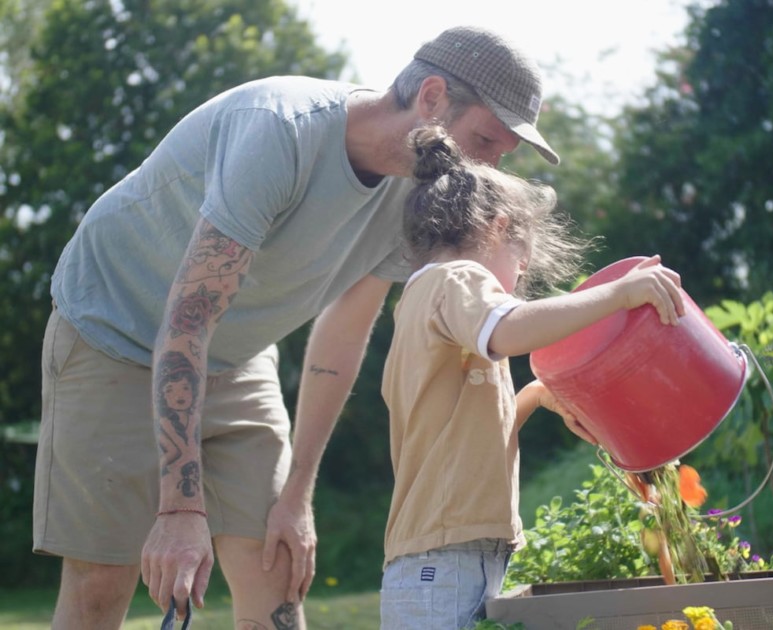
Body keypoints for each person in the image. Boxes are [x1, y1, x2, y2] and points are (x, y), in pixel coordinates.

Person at [34, 25, 560, 629]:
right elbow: (187, 321)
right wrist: (179, 508)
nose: (489, 166)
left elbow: (343, 333)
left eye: (503, 155)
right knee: (104, 580)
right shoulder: (279, 129)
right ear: (432, 97)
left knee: (277, 563)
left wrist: (297, 494)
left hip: (237, 352)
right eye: (485, 140)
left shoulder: (420, 195)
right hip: (114, 332)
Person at [378, 126, 686, 629]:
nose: (517, 283)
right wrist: (619, 295)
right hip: (445, 564)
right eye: (521, 266)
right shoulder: (457, 279)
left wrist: (535, 396)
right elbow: (511, 328)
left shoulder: (428, 301)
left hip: (444, 558)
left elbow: (458, 435)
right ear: (497, 229)